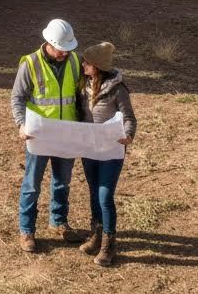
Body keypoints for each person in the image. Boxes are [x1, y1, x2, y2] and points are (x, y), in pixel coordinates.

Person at [10, 18, 83, 253]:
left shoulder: (75, 61)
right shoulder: (30, 64)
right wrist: (21, 124)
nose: (65, 53)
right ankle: (27, 230)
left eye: (68, 49)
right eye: (62, 49)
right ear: (49, 44)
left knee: (62, 182)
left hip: (67, 133)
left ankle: (59, 221)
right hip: (39, 135)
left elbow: (81, 96)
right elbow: (17, 98)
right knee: (32, 184)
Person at [77, 41, 137, 268]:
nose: (83, 65)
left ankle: (109, 244)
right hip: (89, 148)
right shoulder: (84, 84)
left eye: (87, 63)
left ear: (98, 66)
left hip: (111, 150)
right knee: (93, 192)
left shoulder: (118, 89)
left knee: (104, 195)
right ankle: (97, 234)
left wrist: (129, 135)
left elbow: (129, 117)